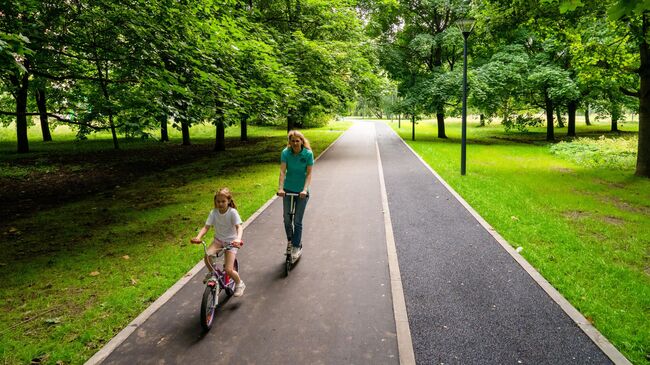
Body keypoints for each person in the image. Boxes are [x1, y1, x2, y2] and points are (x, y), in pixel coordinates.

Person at [191, 187, 245, 297]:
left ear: (229, 201)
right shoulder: (214, 213)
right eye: (218, 201)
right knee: (207, 256)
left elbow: (239, 227)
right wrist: (198, 237)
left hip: (231, 242)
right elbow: (206, 227)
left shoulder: (232, 212)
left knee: (229, 270)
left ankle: (240, 284)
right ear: (215, 201)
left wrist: (238, 239)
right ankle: (212, 273)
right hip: (218, 240)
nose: (220, 204)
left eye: (223, 201)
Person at [277, 130, 314, 261]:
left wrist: (304, 190)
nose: (295, 143)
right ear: (289, 142)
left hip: (302, 192)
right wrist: (280, 188)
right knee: (287, 219)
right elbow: (282, 171)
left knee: (297, 221)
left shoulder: (308, 154)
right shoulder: (285, 153)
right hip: (287, 189)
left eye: (297, 140)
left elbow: (309, 174)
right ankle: (290, 241)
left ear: (302, 141)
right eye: (292, 141)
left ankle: (297, 246)